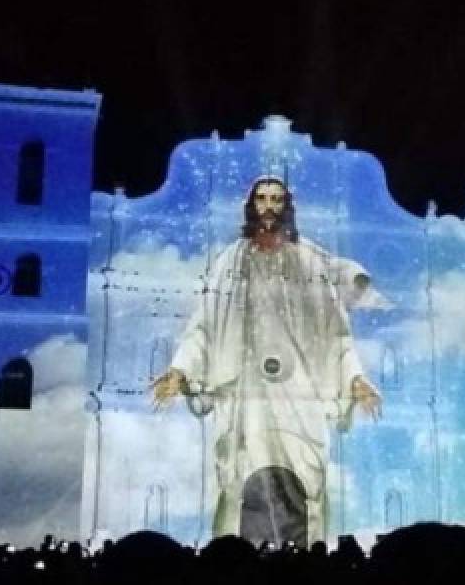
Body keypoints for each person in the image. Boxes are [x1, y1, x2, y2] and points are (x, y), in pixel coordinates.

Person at [151, 176, 382, 547]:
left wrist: (355, 379)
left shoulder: (309, 260)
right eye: (261, 199)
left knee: (306, 479)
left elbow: (337, 335)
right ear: (251, 206)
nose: (269, 207)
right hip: (246, 389)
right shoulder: (230, 261)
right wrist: (180, 370)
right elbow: (204, 327)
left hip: (300, 391)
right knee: (239, 480)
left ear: (287, 206)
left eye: (276, 199)